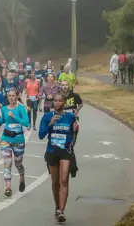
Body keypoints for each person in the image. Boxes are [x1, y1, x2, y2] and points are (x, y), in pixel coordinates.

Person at [39, 94, 78, 223]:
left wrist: (74, 134)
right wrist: (50, 123)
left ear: (64, 103)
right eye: (55, 101)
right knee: (55, 182)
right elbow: (41, 135)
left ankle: (61, 211)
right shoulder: (47, 116)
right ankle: (57, 207)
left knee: (64, 180)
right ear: (53, 103)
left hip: (65, 151)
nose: (57, 103)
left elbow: (74, 132)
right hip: (52, 151)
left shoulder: (70, 117)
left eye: (60, 101)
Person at [0, 88, 29, 196]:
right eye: (9, 96)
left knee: (18, 163)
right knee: (7, 163)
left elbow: (26, 123)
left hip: (18, 140)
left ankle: (22, 176)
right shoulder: (4, 108)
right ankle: (8, 188)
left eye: (13, 96)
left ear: (17, 96)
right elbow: (3, 120)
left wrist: (15, 117)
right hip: (6, 139)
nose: (11, 98)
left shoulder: (21, 108)